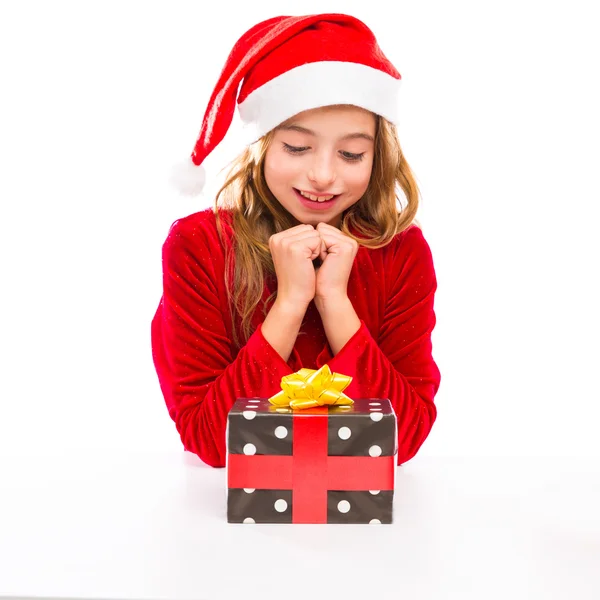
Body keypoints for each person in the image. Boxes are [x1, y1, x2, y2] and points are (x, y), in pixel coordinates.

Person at [150, 13, 442, 468]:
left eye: (351, 153)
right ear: (262, 143)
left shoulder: (401, 252)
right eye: (297, 147)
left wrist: (334, 302)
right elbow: (210, 439)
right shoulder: (199, 246)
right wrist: (289, 304)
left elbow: (403, 438)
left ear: (376, 155)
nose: (323, 175)